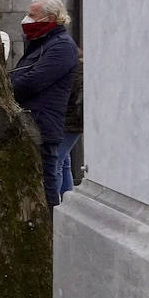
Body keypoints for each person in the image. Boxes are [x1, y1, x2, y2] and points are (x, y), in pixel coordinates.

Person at [10, 0, 79, 208]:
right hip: (35, 119)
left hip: (43, 123)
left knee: (46, 181)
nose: (26, 19)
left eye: (32, 15)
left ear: (50, 17)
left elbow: (34, 81)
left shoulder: (61, 46)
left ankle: (51, 223)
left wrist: (7, 89)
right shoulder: (40, 43)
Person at [60, 47, 84, 197]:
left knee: (57, 162)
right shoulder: (79, 69)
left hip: (69, 121)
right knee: (64, 162)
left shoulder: (76, 70)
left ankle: (58, 200)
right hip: (72, 121)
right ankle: (66, 197)